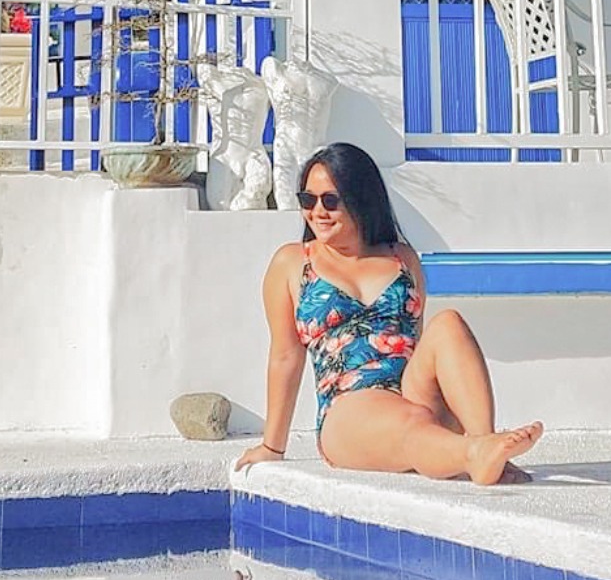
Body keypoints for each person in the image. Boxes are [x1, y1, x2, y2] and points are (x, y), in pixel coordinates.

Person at [233, 141, 543, 483]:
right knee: (409, 422)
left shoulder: (402, 258)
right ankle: (473, 454)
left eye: (330, 200)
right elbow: (285, 357)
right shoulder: (293, 263)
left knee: (448, 323)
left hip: (411, 392)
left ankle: (484, 442)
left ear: (360, 199)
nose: (317, 211)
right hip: (350, 407)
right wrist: (272, 447)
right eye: (308, 200)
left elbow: (417, 342)